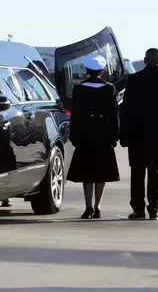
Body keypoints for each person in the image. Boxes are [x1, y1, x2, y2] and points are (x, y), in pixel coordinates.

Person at [120, 48, 158, 221]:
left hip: (137, 136)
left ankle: (138, 209)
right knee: (156, 172)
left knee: (137, 173)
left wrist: (123, 135)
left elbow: (126, 111)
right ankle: (154, 209)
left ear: (145, 60)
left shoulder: (134, 80)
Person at [66, 53, 120, 219]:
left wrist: (74, 136)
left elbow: (75, 115)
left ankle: (88, 205)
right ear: (102, 71)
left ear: (87, 71)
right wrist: (114, 136)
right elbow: (114, 115)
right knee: (101, 173)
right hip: (103, 134)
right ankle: (98, 206)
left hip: (85, 135)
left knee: (87, 173)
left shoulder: (79, 89)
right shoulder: (110, 88)